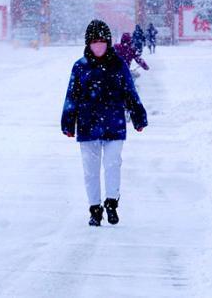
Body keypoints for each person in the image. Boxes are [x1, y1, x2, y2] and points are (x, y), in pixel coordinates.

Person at [61, 20, 148, 227]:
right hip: (87, 125)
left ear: (108, 42)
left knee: (112, 164)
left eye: (102, 41)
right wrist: (68, 122)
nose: (98, 46)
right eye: (94, 42)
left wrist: (138, 116)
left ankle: (111, 202)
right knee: (90, 170)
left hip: (114, 123)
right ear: (88, 43)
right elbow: (71, 96)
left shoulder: (118, 65)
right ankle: (94, 208)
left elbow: (130, 93)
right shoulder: (80, 67)